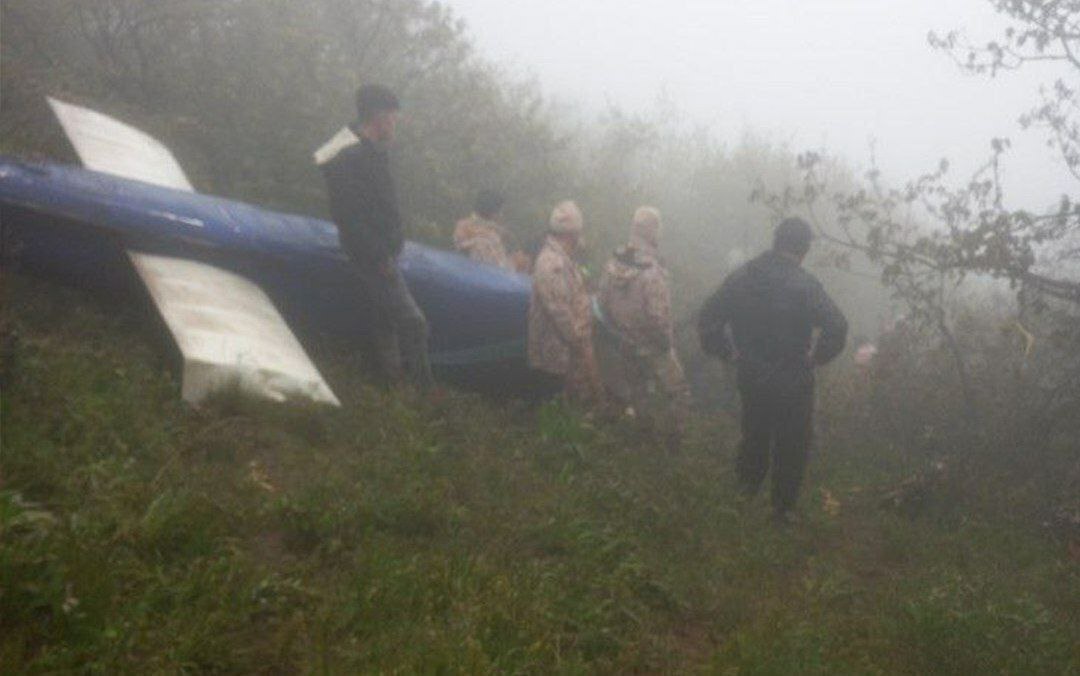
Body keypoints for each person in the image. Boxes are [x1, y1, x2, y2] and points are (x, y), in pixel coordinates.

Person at [698, 217, 847, 524]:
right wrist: (817, 357)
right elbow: (837, 325)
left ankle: (741, 501)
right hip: (794, 379)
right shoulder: (805, 284)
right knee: (792, 444)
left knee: (754, 435)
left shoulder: (743, 276)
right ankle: (782, 512)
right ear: (804, 249)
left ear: (776, 241)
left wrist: (727, 352)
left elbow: (708, 318)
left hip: (751, 375)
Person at [318, 84, 433, 389]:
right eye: (393, 118)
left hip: (381, 251)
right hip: (372, 254)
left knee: (384, 322)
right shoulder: (349, 158)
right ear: (379, 117)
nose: (395, 125)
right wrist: (380, 255)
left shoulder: (369, 152)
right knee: (413, 322)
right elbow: (350, 216)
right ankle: (422, 389)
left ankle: (391, 384)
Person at [597, 207, 691, 445]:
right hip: (652, 345)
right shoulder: (652, 271)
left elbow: (602, 304)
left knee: (639, 392)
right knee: (678, 392)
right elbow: (657, 316)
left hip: (624, 342)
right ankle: (673, 443)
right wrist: (666, 343)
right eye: (659, 228)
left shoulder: (613, 263)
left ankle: (643, 440)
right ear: (652, 230)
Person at [528, 200, 604, 404]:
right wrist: (580, 345)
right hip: (555, 360)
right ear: (572, 233)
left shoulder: (566, 260)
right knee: (557, 415)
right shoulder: (552, 263)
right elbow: (559, 311)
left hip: (567, 358)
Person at [453, 190, 514, 270]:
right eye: (500, 211)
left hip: (494, 273)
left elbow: (502, 261)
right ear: (492, 210)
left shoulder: (497, 231)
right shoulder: (464, 225)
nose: (501, 214)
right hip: (471, 272)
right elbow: (460, 249)